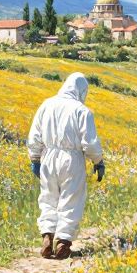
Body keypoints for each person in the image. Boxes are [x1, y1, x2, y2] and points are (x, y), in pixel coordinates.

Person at [26, 72, 105, 260]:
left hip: (48, 157)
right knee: (71, 199)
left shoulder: (46, 105)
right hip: (72, 159)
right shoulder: (81, 110)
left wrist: (35, 159)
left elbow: (34, 136)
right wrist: (98, 161)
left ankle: (47, 235)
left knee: (48, 197)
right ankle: (63, 241)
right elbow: (90, 142)